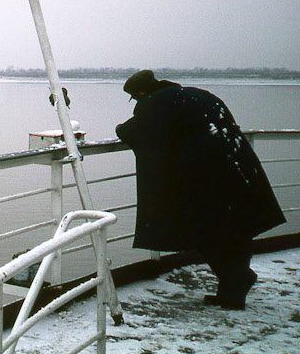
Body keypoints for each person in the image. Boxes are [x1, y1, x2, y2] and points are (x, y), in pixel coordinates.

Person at [115, 70, 285, 310]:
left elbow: (134, 131)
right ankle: (232, 289)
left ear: (141, 93)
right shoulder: (198, 95)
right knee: (238, 228)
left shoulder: (154, 103)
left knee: (203, 231)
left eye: (135, 98)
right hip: (241, 168)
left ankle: (237, 281)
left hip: (210, 179)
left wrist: (119, 127)